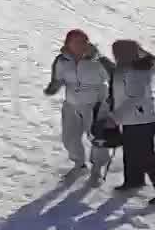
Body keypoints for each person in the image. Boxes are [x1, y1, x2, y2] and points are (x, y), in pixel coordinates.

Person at [108, 40, 155, 204]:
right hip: (135, 118)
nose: (115, 55)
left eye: (118, 52)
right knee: (132, 150)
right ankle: (134, 181)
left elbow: (135, 98)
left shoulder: (135, 72)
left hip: (143, 119)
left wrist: (115, 117)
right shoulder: (129, 67)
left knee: (145, 154)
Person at [45, 30, 115, 181]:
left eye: (83, 41)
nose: (80, 45)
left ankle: (97, 170)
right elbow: (57, 78)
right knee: (69, 138)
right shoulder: (62, 60)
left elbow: (115, 76)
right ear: (68, 44)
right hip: (71, 105)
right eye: (75, 41)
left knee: (98, 139)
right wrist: (53, 87)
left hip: (95, 105)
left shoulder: (99, 61)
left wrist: (113, 100)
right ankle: (80, 165)